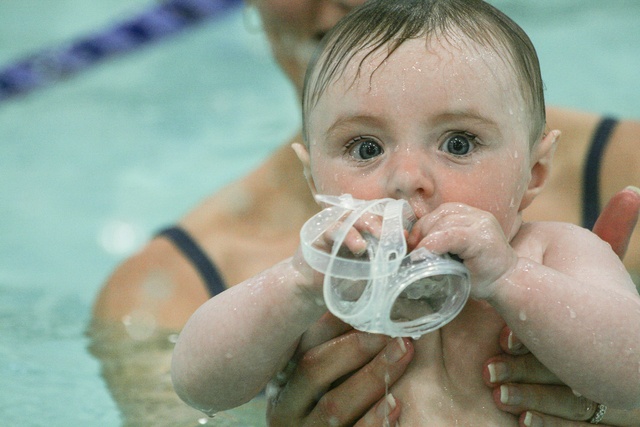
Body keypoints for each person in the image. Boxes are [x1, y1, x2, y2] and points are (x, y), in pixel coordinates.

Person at [90, 0, 640, 425]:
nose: (406, 178)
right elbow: (198, 385)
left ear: (535, 173)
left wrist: (514, 280)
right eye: (365, 148)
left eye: (459, 143)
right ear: (315, 180)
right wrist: (297, 285)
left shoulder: (552, 253)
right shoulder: (320, 288)